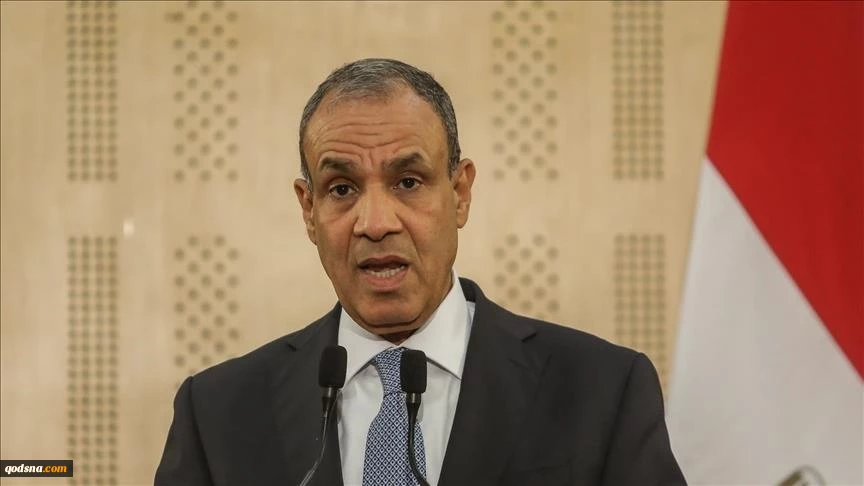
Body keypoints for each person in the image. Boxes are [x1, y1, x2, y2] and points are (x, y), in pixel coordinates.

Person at [155, 58, 685, 486]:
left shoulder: (601, 392)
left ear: (460, 193)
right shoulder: (218, 414)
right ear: (309, 210)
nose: (375, 223)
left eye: (408, 182)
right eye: (342, 189)